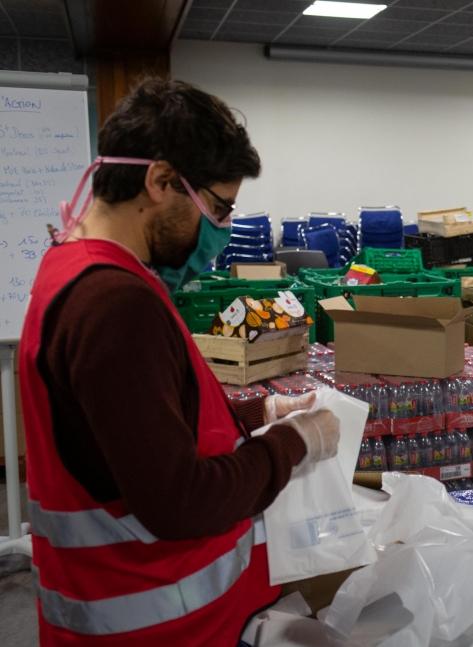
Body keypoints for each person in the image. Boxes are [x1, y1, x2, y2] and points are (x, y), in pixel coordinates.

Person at [18, 78, 339, 646]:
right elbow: (180, 501)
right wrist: (293, 444)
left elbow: (141, 429)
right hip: (161, 627)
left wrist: (257, 411)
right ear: (161, 181)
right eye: (217, 207)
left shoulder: (77, 268)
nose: (220, 230)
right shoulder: (114, 303)